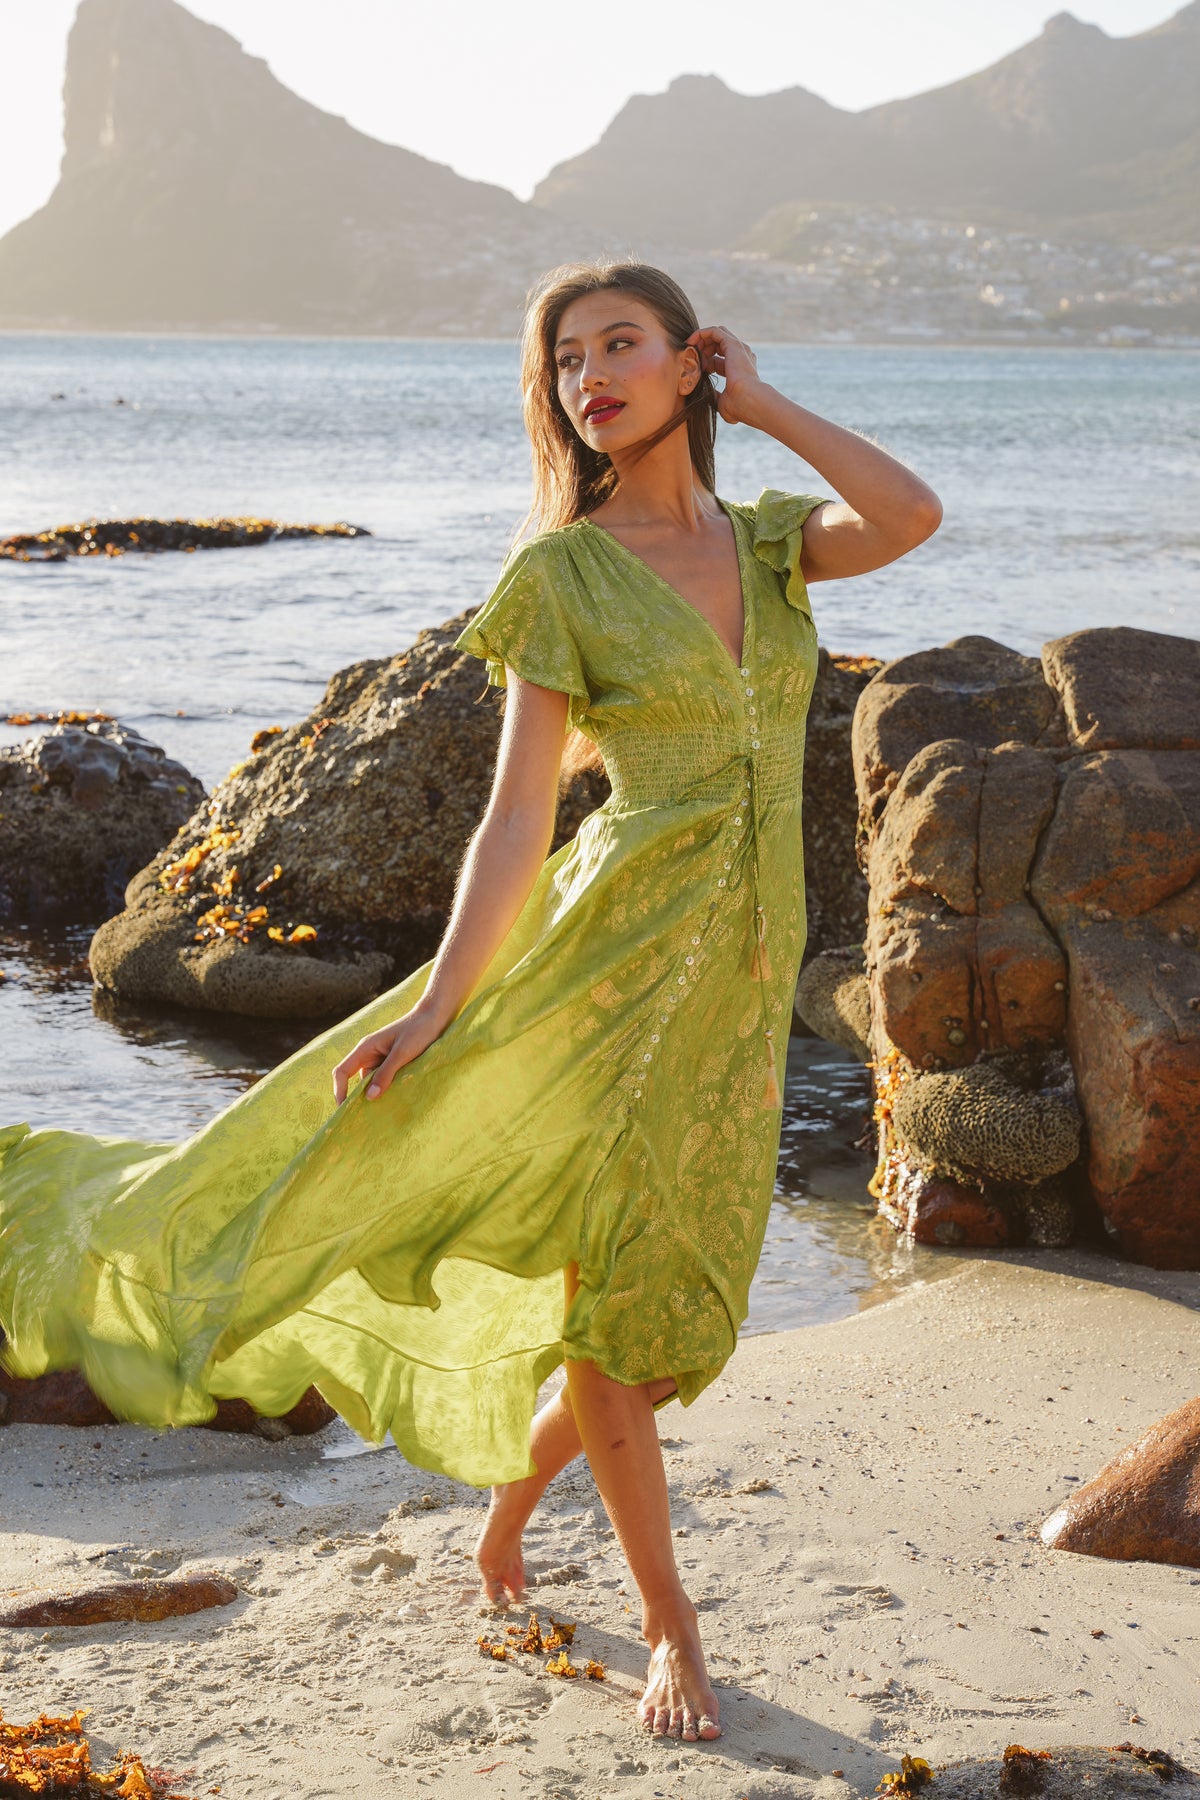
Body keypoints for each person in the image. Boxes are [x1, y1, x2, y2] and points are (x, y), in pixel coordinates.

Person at [0, 259, 940, 1746]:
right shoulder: (560, 575)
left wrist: (764, 403)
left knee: (674, 1309)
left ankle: (500, 1536)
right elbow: (514, 818)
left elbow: (911, 516)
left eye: (620, 345)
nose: (590, 378)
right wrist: (438, 1004)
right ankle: (669, 1621)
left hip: (743, 977)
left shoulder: (768, 547)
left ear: (686, 360)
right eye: (567, 359)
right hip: (606, 963)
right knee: (617, 1296)